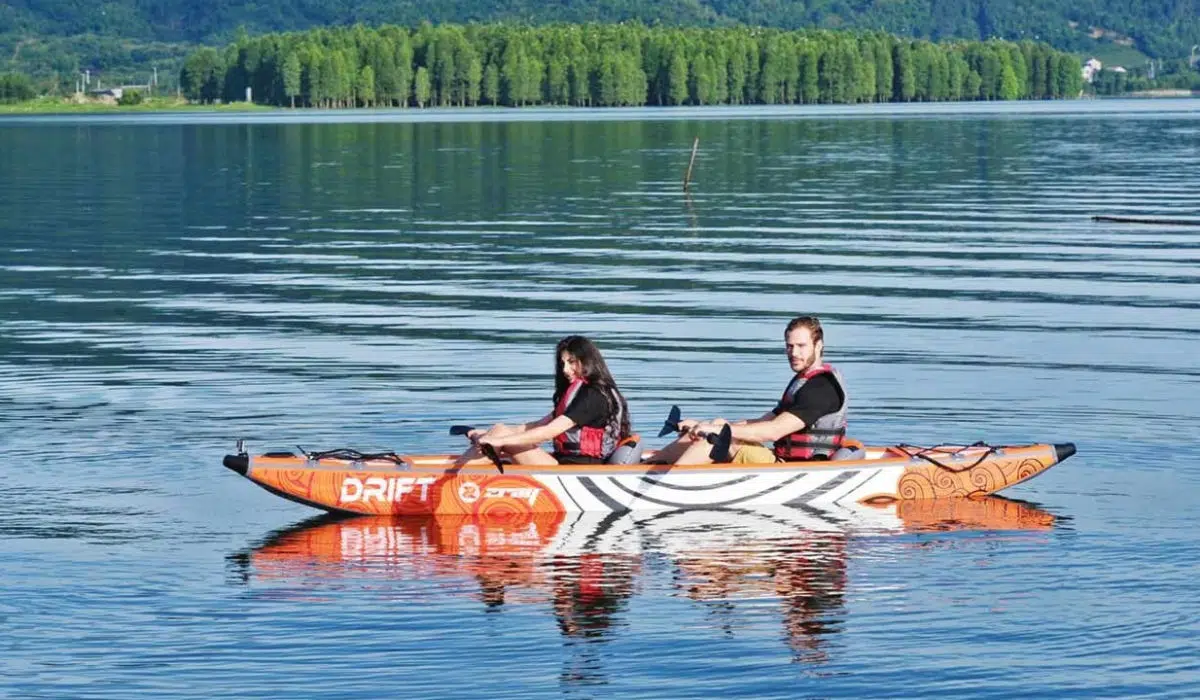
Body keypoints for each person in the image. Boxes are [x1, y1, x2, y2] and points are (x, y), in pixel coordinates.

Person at [653, 315, 847, 465]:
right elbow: (764, 421)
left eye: (801, 346)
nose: (793, 353)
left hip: (793, 469)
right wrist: (701, 425)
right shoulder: (802, 383)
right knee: (720, 424)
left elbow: (773, 431)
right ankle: (650, 466)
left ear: (818, 346)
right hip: (779, 461)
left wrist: (717, 430)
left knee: (720, 436)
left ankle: (666, 482)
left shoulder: (821, 389)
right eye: (789, 346)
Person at [456, 335, 633, 466]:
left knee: (501, 434)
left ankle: (451, 476)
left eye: (571, 362)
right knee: (500, 429)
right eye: (562, 363)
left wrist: (500, 440)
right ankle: (455, 472)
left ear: (587, 362)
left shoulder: (593, 396)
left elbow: (548, 432)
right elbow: (535, 426)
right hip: (561, 463)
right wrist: (489, 434)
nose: (565, 369)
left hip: (576, 470)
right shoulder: (579, 392)